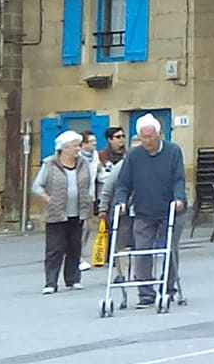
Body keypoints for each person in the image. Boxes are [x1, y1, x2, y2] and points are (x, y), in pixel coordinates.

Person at [107, 114, 186, 307]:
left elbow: (179, 179)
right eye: (143, 138)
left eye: (150, 137)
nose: (147, 141)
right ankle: (145, 293)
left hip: (170, 209)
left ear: (159, 135)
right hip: (144, 210)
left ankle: (168, 288)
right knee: (142, 250)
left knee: (169, 248)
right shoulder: (134, 156)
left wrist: (179, 198)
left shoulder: (173, 151)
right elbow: (123, 183)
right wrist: (121, 201)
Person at [32, 131, 97, 293]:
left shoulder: (83, 163)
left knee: (75, 246)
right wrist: (49, 199)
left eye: (79, 145)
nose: (78, 149)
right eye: (75, 146)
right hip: (56, 213)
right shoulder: (50, 164)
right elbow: (37, 186)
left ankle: (73, 279)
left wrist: (89, 197)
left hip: (78, 212)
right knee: (55, 248)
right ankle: (50, 282)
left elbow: (90, 182)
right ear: (64, 148)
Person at [84, 125, 128, 271]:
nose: (121, 140)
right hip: (106, 195)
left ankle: (118, 253)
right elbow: (99, 176)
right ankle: (108, 255)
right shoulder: (101, 155)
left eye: (123, 137)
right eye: (118, 137)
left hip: (124, 196)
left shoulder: (128, 155)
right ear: (110, 139)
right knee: (107, 226)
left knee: (121, 227)